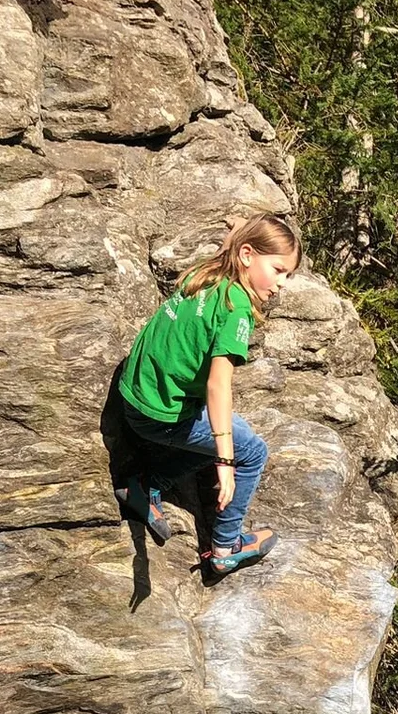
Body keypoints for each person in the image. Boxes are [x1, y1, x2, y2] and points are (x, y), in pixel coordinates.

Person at [115, 213, 301, 577]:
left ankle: (146, 484)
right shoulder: (237, 312)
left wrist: (236, 232)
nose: (281, 284)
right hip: (159, 417)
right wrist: (226, 461)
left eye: (287, 276)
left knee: (223, 432)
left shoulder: (211, 272)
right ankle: (225, 548)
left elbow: (234, 249)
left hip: (134, 394)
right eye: (278, 270)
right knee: (249, 449)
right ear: (247, 255)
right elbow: (218, 384)